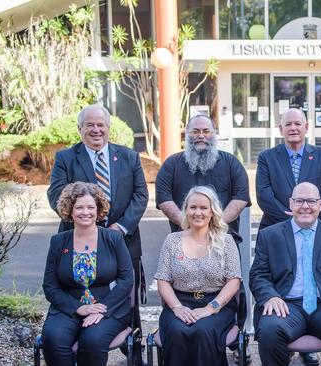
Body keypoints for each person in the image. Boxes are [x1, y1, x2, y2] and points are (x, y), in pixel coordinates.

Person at [47, 104, 148, 343]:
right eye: (89, 125)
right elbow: (56, 196)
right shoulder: (66, 158)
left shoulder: (128, 156)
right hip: (78, 238)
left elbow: (141, 195)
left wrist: (120, 227)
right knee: (80, 289)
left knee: (126, 296)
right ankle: (79, 337)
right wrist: (84, 222)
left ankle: (130, 345)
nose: (96, 130)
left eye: (100, 125)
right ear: (80, 128)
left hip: (123, 239)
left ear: (108, 128)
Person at [250, 182, 321, 366]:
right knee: (270, 331)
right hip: (287, 306)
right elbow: (258, 274)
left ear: (320, 205)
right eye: (299, 201)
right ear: (290, 203)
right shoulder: (270, 236)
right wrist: (270, 297)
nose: (305, 206)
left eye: (311, 201)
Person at [42, 182, 134, 366]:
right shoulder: (58, 242)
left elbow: (126, 279)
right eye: (79, 207)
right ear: (70, 210)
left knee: (92, 340)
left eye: (91, 207)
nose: (86, 212)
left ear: (98, 209)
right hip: (69, 307)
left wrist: (102, 308)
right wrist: (78, 308)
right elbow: (50, 286)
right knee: (53, 338)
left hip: (108, 308)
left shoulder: (113, 238)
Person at [154, 186, 242, 366]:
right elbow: (162, 279)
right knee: (177, 330)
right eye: (193, 207)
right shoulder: (172, 240)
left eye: (204, 208)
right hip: (179, 302)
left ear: (212, 212)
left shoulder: (226, 241)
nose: (198, 212)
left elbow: (234, 281)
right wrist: (177, 308)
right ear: (186, 210)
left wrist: (210, 308)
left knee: (202, 331)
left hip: (217, 304)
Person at [156, 114, 251, 243]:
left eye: (206, 131)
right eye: (195, 131)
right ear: (187, 134)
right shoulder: (171, 164)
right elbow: (163, 198)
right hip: (183, 239)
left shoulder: (231, 163)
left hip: (223, 238)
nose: (201, 136)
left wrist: (216, 224)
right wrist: (189, 225)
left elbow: (241, 197)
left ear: (214, 133)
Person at [256, 107, 321, 230]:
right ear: (281, 129)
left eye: (297, 124)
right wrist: (292, 218)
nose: (293, 128)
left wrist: (308, 216)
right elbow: (264, 194)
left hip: (316, 227)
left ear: (306, 127)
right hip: (276, 227)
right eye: (288, 124)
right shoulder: (266, 157)